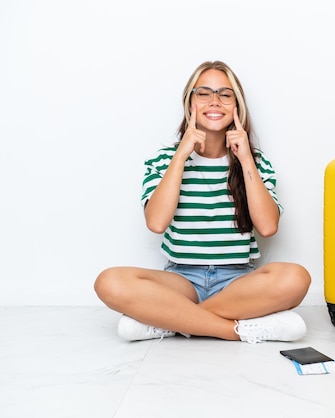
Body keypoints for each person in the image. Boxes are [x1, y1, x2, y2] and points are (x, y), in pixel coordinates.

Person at [94, 61, 311, 344]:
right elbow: (156, 223)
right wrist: (181, 156)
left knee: (296, 277)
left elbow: (268, 226)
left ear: (237, 106)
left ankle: (170, 322)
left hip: (237, 282)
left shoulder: (256, 162)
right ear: (190, 102)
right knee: (108, 282)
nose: (215, 101)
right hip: (182, 280)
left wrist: (245, 158)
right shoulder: (164, 160)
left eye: (225, 94)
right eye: (204, 93)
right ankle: (235, 330)